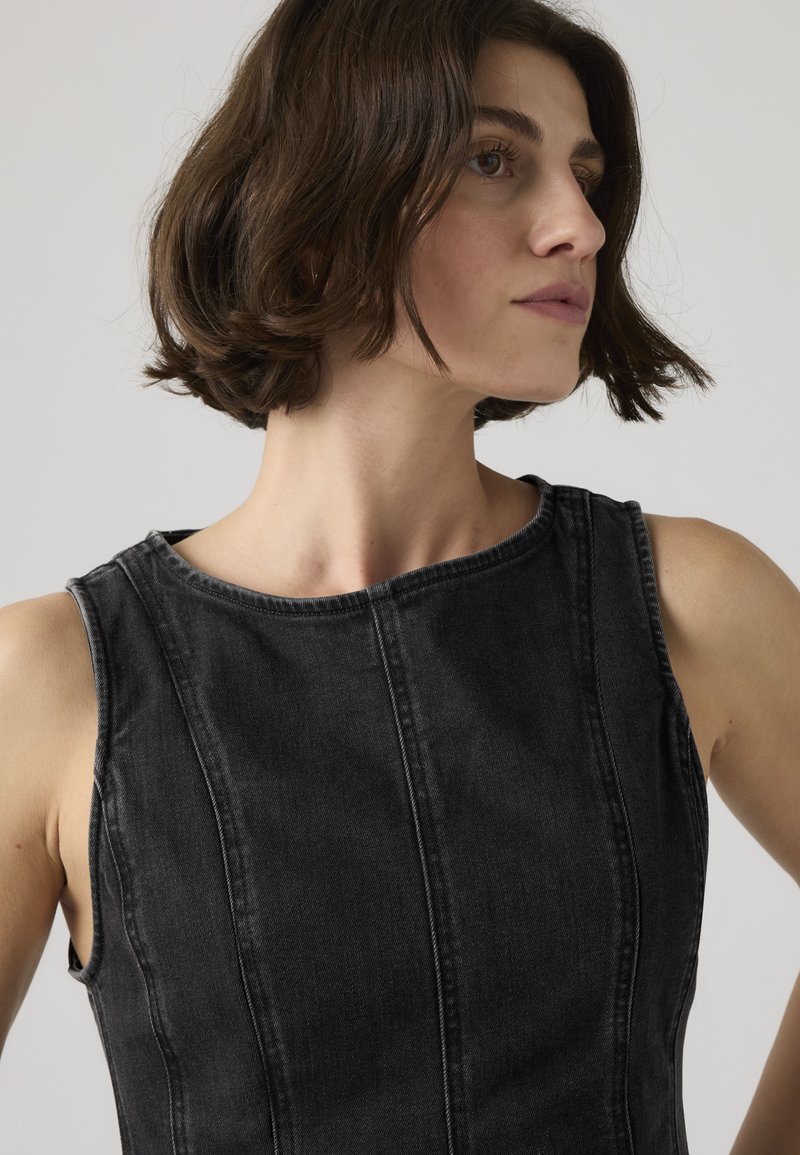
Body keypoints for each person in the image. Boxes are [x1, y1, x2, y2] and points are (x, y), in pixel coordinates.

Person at [2, 0, 798, 1151]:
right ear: (315, 213)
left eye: (584, 174)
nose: (579, 224)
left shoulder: (684, 601)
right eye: (492, 160)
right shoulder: (54, 684)